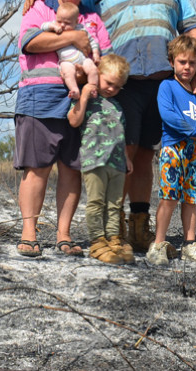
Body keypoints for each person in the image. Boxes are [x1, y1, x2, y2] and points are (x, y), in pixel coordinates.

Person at [24, 0, 196, 253]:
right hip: (122, 85)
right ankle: (113, 231)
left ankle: (139, 227)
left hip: (164, 83)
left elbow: (192, 32)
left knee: (148, 155)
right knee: (121, 156)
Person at [14, 0, 112, 258]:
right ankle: (29, 233)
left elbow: (104, 59)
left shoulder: (93, 17)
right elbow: (31, 42)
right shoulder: (40, 8)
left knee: (72, 168)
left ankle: (64, 234)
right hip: (39, 96)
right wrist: (74, 37)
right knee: (38, 167)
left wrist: (86, 74)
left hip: (81, 98)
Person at [146, 35, 196, 266]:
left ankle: (189, 244)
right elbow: (169, 117)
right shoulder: (167, 86)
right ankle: (158, 245)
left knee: (191, 197)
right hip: (173, 149)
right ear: (172, 62)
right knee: (169, 197)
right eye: (182, 62)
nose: (187, 67)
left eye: (192, 63)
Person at [67, 54, 135, 265]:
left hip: (116, 163)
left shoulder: (117, 107)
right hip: (94, 161)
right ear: (98, 75)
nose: (112, 89)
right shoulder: (88, 100)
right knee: (96, 203)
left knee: (115, 204)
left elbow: (120, 134)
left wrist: (126, 158)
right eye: (108, 83)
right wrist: (85, 95)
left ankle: (114, 240)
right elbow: (73, 121)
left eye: (117, 87)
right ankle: (97, 242)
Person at [41, 1, 102, 99]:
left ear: (76, 22)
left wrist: (95, 53)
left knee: (92, 68)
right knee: (67, 72)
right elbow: (43, 26)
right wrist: (53, 26)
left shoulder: (81, 28)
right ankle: (74, 90)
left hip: (83, 59)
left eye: (67, 23)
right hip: (66, 61)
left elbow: (92, 41)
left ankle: (93, 87)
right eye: (59, 21)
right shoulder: (55, 26)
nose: (62, 25)